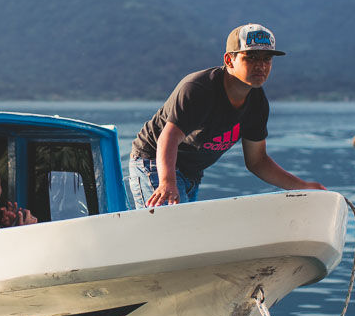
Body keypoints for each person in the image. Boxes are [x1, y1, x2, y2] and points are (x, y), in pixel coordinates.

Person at [129, 23, 325, 208]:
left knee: (184, 232)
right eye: (251, 57)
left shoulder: (257, 103)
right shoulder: (198, 89)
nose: (261, 65)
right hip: (154, 161)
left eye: (267, 59)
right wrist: (166, 181)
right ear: (229, 60)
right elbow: (169, 138)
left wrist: (303, 186)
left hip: (191, 173)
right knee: (172, 230)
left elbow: (257, 161)